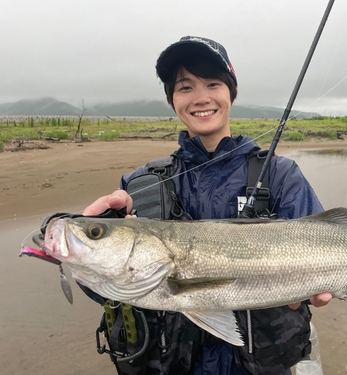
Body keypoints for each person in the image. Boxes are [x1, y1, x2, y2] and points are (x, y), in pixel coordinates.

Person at [82, 36, 332, 375]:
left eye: (213, 83)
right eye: (185, 88)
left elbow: (326, 245)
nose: (201, 98)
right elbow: (112, 293)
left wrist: (324, 285)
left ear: (231, 92)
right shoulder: (139, 185)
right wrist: (92, 244)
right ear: (171, 101)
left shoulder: (281, 175)